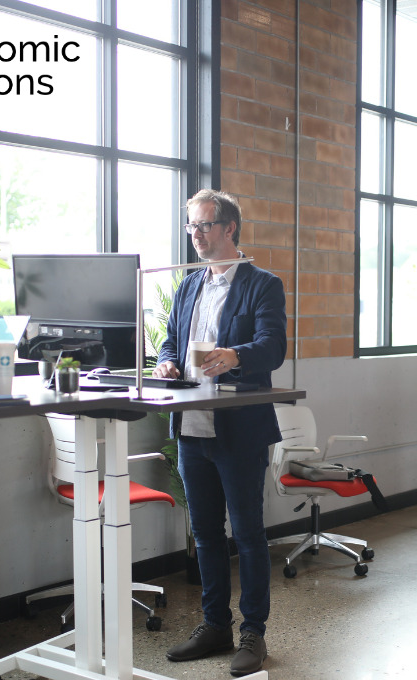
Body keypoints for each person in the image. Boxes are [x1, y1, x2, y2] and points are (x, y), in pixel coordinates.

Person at [153, 189, 286, 677]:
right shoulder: (189, 285)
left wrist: (236, 355)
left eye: (204, 225)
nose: (196, 235)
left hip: (239, 427)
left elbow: (273, 347)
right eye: (191, 227)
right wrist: (167, 361)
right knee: (206, 534)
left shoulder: (262, 284)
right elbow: (171, 337)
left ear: (230, 227)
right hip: (191, 426)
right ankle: (215, 625)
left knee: (248, 534)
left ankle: (253, 632)